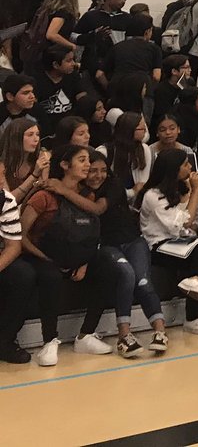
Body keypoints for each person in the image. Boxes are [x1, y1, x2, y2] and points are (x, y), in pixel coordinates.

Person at [65, 150, 168, 357]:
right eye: (93, 171)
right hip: (107, 246)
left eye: (103, 170)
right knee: (126, 273)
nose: (98, 176)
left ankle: (160, 332)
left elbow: (98, 208)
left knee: (143, 281)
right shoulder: (80, 191)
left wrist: (63, 191)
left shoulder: (113, 185)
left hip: (132, 240)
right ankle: (124, 336)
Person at [21, 136, 112, 365]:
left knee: (108, 266)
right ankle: (49, 341)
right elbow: (20, 235)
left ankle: (86, 335)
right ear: (64, 165)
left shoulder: (87, 195)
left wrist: (84, 261)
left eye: (88, 160)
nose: (88, 165)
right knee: (50, 276)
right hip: (42, 255)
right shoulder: (43, 195)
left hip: (75, 256)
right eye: (82, 160)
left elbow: (90, 232)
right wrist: (46, 258)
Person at [137, 147, 198, 334]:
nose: (190, 167)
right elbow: (182, 222)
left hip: (181, 240)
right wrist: (196, 190)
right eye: (185, 164)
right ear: (173, 169)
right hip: (159, 245)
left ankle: (194, 283)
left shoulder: (179, 186)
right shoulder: (153, 195)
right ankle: (193, 316)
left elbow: (194, 221)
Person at [0, 151, 34, 364]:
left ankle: (5, 341)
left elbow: (13, 246)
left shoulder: (6, 200)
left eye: (2, 174)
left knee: (23, 275)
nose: (1, 181)